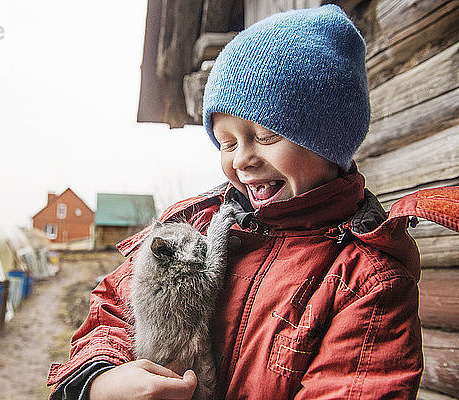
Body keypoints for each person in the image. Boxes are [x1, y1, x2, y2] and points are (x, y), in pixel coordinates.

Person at [47, 5, 423, 399]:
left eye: (266, 136)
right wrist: (99, 381)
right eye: (227, 143)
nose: (242, 159)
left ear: (328, 143)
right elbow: (112, 304)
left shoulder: (367, 282)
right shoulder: (194, 224)